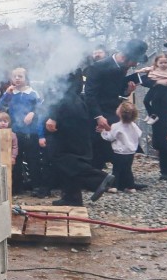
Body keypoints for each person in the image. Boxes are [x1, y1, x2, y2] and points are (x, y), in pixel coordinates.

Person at [45, 70, 115, 206]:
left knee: (62, 156)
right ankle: (72, 197)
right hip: (73, 107)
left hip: (68, 109)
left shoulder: (65, 66)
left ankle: (99, 178)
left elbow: (66, 90)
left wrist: (53, 115)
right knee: (71, 154)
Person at [85, 40, 148, 170]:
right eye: (135, 60)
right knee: (98, 150)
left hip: (114, 111)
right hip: (97, 112)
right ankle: (97, 177)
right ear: (125, 57)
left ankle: (122, 177)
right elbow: (90, 94)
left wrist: (127, 91)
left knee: (123, 145)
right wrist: (98, 116)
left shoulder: (123, 67)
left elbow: (117, 92)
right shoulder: (97, 67)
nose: (135, 64)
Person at [0, 67, 43, 194]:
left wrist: (33, 113)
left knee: (33, 159)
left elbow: (41, 108)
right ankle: (17, 187)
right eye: (14, 76)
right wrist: (6, 94)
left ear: (26, 78)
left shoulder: (33, 93)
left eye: (20, 76)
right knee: (16, 160)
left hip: (30, 132)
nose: (17, 79)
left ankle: (36, 186)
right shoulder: (11, 93)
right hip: (15, 133)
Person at [141, 53, 167, 179]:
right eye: (160, 62)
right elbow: (144, 81)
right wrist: (157, 82)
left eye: (165, 62)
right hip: (157, 112)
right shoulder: (153, 72)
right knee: (161, 142)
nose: (163, 65)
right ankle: (164, 170)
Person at [101, 101, 143, 194]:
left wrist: (103, 132)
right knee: (128, 170)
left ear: (120, 113)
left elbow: (110, 137)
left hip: (119, 152)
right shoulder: (134, 125)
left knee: (116, 170)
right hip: (130, 152)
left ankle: (114, 187)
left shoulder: (116, 126)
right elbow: (139, 134)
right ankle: (131, 187)